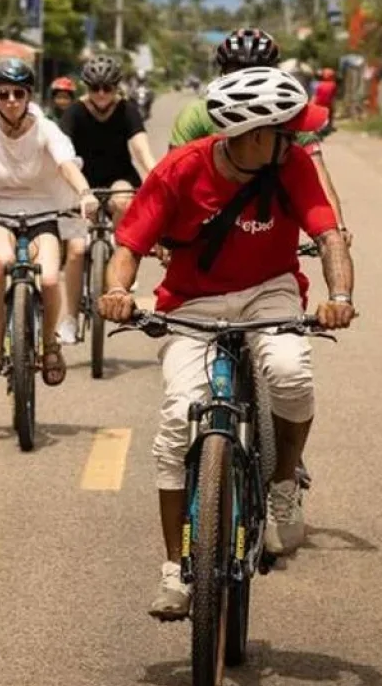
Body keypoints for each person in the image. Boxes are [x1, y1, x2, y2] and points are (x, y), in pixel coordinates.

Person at [97, 66, 355, 620]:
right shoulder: (179, 171)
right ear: (253, 133)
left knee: (289, 371)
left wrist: (339, 295)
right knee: (176, 422)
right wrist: (118, 291)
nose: (295, 138)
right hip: (191, 303)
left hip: (270, 291)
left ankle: (283, 483)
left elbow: (329, 235)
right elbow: (130, 246)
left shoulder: (291, 164)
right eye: (285, 130)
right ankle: (175, 570)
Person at [0, 57, 98, 385]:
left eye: (18, 93)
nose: (11, 101)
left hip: (43, 212)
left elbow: (66, 165)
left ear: (29, 96)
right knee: (3, 263)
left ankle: (50, 344)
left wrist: (85, 193)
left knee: (51, 280)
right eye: (3, 94)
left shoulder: (46, 129)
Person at [168, 28, 350, 240]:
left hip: (270, 227)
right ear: (223, 74)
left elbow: (317, 174)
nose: (247, 81)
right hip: (208, 227)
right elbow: (172, 181)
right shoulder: (197, 114)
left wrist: (336, 229)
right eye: (238, 71)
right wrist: (165, 230)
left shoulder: (290, 114)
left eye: (257, 72)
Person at [55, 54, 157, 344]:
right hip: (79, 184)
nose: (101, 94)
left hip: (118, 178)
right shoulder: (74, 112)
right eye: (95, 88)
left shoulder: (127, 110)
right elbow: (62, 154)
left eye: (108, 88)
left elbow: (142, 150)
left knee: (124, 199)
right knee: (75, 250)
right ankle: (70, 318)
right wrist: (79, 190)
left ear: (116, 88)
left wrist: (158, 177)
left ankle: (119, 255)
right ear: (87, 87)